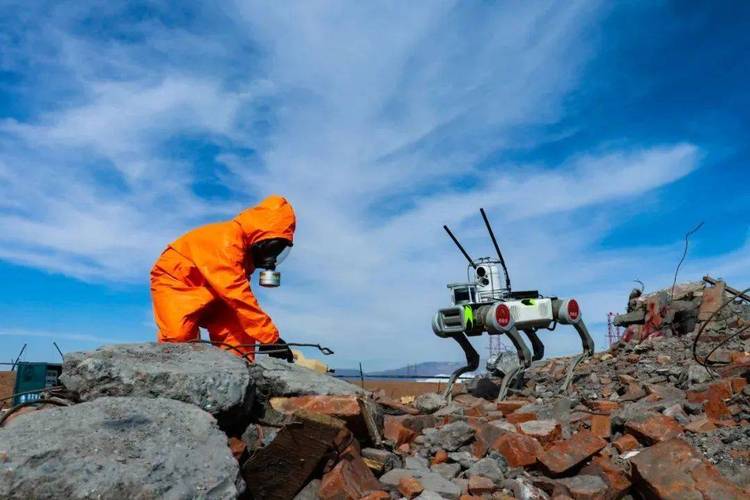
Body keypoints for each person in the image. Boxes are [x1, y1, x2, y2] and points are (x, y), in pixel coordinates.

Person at [150, 195, 295, 361]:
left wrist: (266, 337)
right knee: (178, 339)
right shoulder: (227, 241)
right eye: (273, 249)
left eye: (278, 251)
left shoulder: (245, 250)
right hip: (178, 282)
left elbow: (234, 295)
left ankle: (241, 378)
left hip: (219, 290)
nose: (273, 257)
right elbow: (237, 295)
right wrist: (270, 338)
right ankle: (173, 379)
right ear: (262, 240)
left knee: (239, 343)